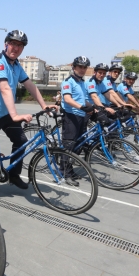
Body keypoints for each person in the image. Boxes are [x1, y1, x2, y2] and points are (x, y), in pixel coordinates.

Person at [0, 30, 54, 209]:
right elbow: (5, 89)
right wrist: (15, 115)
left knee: (21, 141)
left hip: (5, 115)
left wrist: (44, 105)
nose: (16, 48)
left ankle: (14, 174)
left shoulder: (16, 66)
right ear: (6, 44)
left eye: (19, 45)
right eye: (13, 44)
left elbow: (30, 85)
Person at [60, 56, 95, 186]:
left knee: (78, 145)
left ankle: (69, 169)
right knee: (68, 145)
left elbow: (82, 100)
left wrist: (92, 108)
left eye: (84, 67)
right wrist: (82, 107)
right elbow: (68, 99)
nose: (82, 69)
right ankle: (64, 173)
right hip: (71, 115)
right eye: (80, 67)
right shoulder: (68, 82)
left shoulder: (82, 83)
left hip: (81, 116)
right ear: (74, 67)